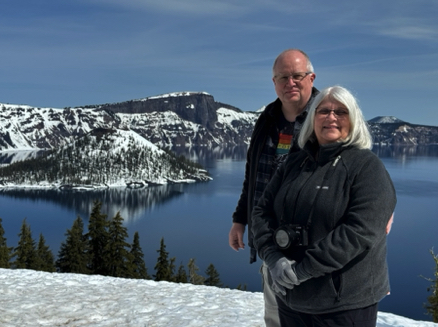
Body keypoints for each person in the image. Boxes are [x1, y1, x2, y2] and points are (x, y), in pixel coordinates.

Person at [251, 85, 397, 327]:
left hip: (343, 305)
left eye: (341, 112)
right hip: (291, 299)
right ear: (312, 119)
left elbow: (358, 233)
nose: (331, 117)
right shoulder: (293, 163)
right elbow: (261, 213)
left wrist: (302, 271)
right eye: (323, 111)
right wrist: (274, 257)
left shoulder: (367, 167)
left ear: (354, 119)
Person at [228, 49, 318, 326]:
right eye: (282, 77)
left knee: (313, 316)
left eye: (297, 76)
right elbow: (253, 175)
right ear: (274, 83)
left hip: (313, 243)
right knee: (275, 316)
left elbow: (359, 165)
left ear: (311, 78)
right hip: (271, 239)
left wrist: (382, 204)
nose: (289, 82)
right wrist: (240, 219)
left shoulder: (328, 116)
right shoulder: (267, 119)